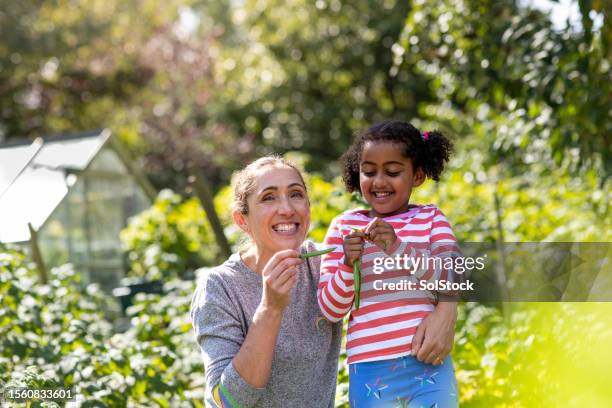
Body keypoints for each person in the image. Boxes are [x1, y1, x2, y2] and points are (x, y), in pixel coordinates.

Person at [317, 120, 461, 407]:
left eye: (392, 172)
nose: (379, 181)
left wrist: (398, 247)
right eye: (369, 172)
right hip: (369, 368)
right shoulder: (344, 226)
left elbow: (452, 277)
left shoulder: (431, 219)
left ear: (417, 176)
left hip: (427, 361)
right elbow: (330, 309)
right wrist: (347, 264)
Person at [190, 156, 342, 408]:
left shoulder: (325, 264)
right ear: (241, 220)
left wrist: (435, 314)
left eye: (296, 194)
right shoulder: (220, 287)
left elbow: (402, 272)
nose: (287, 209)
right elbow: (229, 402)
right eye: (268, 197)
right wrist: (270, 308)